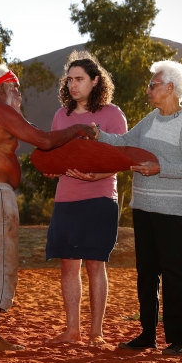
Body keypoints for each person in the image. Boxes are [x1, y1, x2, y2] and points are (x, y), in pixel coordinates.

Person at [0, 64, 97, 351]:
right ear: (4, 87)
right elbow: (44, 141)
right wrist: (79, 128)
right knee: (0, 265)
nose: (18, 93)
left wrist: (17, 112)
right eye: (15, 87)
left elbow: (28, 130)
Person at [94, 60, 182, 356]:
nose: (148, 90)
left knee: (172, 271)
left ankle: (179, 340)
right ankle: (147, 335)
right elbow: (122, 142)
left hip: (176, 208)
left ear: (170, 88)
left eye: (153, 85)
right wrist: (96, 134)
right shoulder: (151, 119)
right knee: (146, 272)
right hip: (144, 206)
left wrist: (160, 168)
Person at [44, 51, 127, 346]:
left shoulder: (112, 114)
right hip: (67, 198)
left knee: (95, 264)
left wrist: (98, 177)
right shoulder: (60, 116)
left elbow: (122, 157)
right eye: (70, 80)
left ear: (95, 81)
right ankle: (72, 331)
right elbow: (54, 153)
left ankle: (96, 333)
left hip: (101, 198)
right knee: (68, 264)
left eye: (79, 79)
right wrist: (51, 168)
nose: (73, 85)